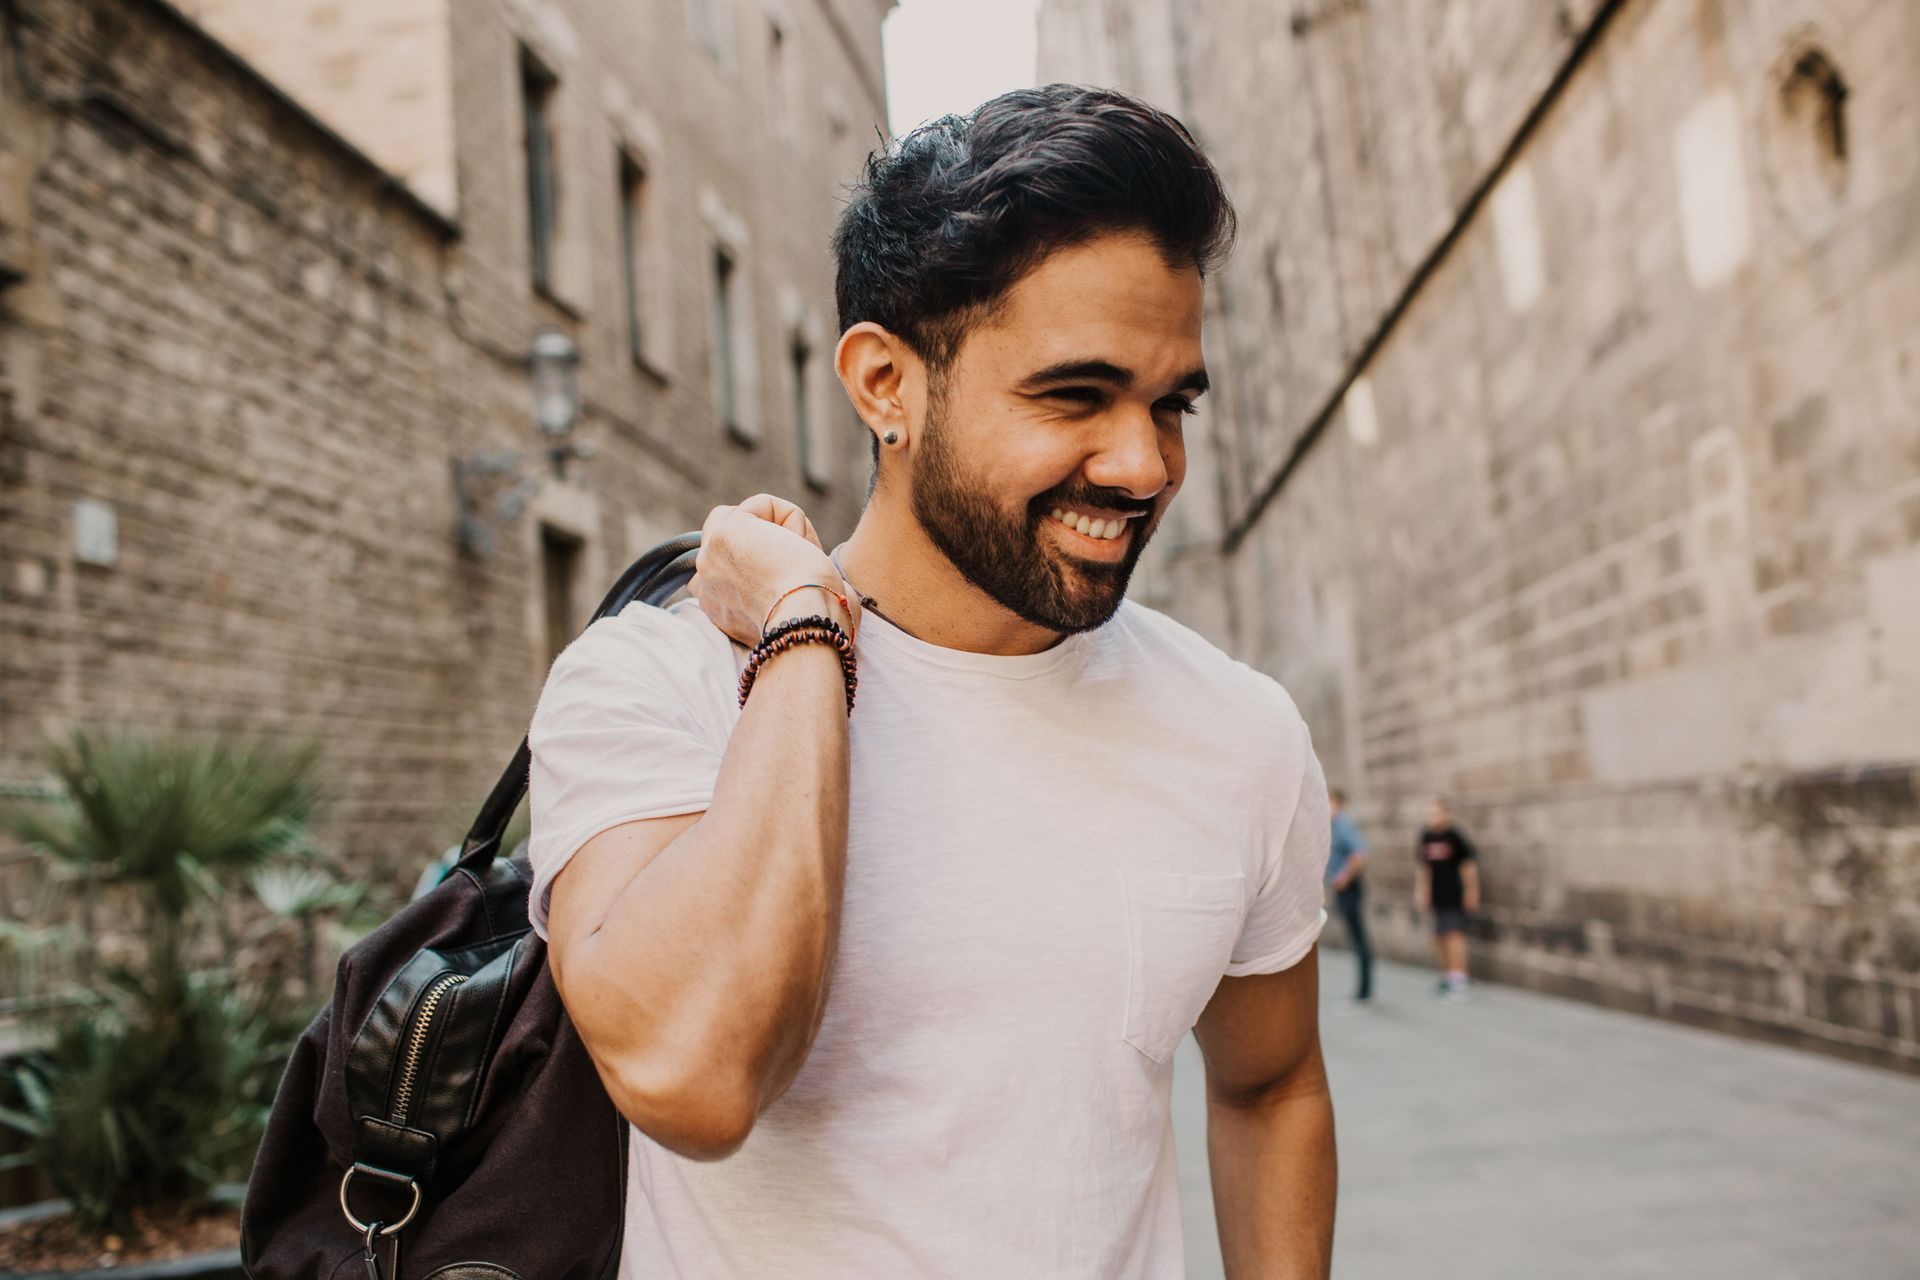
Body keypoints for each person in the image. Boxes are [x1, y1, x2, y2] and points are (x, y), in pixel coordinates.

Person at [527, 85, 1335, 1279]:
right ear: (884, 384)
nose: (1145, 463)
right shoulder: (658, 679)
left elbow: (1269, 1085)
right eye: (1075, 395)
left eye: (1171, 404)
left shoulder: (1237, 728)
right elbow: (692, 1074)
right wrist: (805, 635)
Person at [1413, 795, 1480, 1000]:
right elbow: (1424, 867)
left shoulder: (1454, 836)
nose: (1433, 817)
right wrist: (1422, 890)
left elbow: (1468, 865)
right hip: (1437, 893)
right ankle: (1447, 975)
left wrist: (1472, 891)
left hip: (1454, 892)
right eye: (1430, 813)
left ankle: (1459, 978)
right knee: (1438, 935)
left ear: (1445, 813)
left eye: (1436, 812)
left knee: (1454, 934)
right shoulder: (1426, 835)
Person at [1326, 788, 1373, 1005]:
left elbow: (1360, 855)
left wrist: (1343, 878)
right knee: (1355, 938)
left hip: (1350, 889)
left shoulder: (1343, 825)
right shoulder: (1333, 826)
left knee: (1359, 938)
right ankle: (1361, 990)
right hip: (1343, 889)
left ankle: (1364, 991)